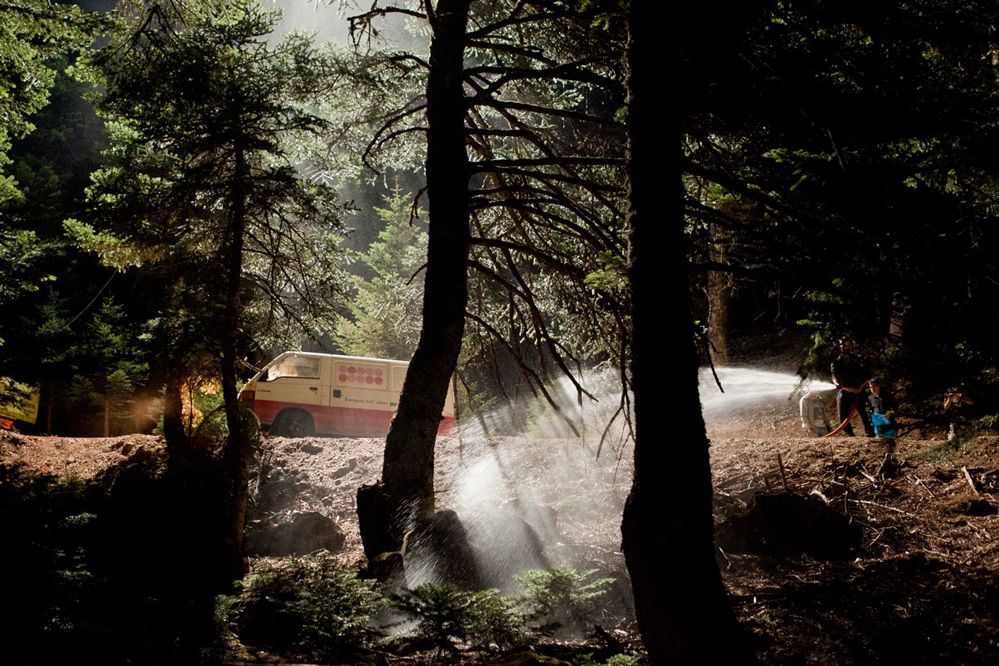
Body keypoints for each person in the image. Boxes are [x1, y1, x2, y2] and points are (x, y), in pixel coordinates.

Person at [830, 339, 874, 437]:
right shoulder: (836, 362)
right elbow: (834, 376)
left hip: (860, 392)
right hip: (844, 392)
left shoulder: (858, 360)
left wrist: (860, 387)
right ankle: (850, 436)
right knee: (842, 416)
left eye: (845, 344)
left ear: (850, 346)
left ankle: (870, 435)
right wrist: (837, 384)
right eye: (841, 344)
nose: (843, 346)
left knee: (866, 414)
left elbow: (868, 375)